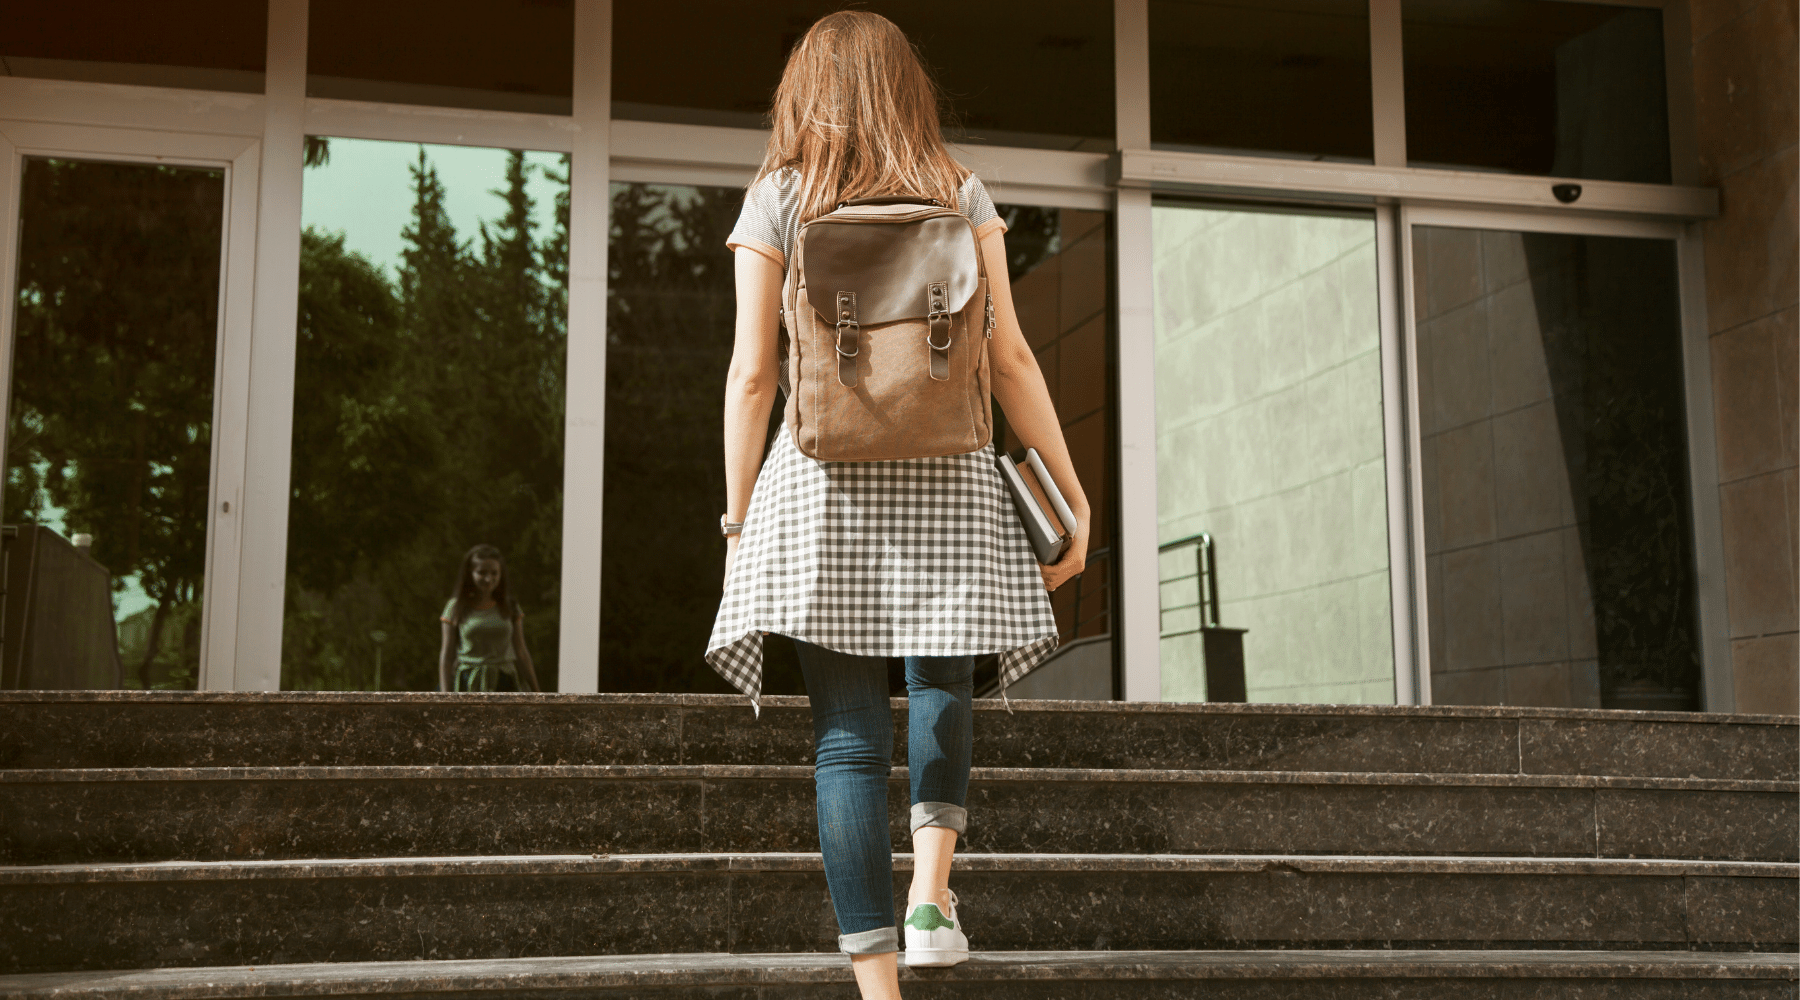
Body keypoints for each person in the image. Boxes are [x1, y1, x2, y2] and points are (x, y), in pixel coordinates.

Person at [704, 12, 1090, 999]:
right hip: (951, 473)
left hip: (822, 482)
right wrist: (1068, 485)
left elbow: (752, 374)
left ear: (805, 91)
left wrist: (740, 517)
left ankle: (880, 992)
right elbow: (1007, 354)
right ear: (908, 89)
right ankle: (930, 895)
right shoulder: (958, 191)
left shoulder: (780, 194)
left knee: (845, 736)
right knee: (938, 683)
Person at [438, 543, 540, 693]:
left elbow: (521, 652)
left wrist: (537, 692)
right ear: (470, 573)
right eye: (482, 572)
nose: (488, 578)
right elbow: (447, 656)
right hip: (468, 682)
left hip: (504, 681)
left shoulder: (509, 606)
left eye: (494, 573)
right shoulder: (456, 607)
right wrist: (445, 696)